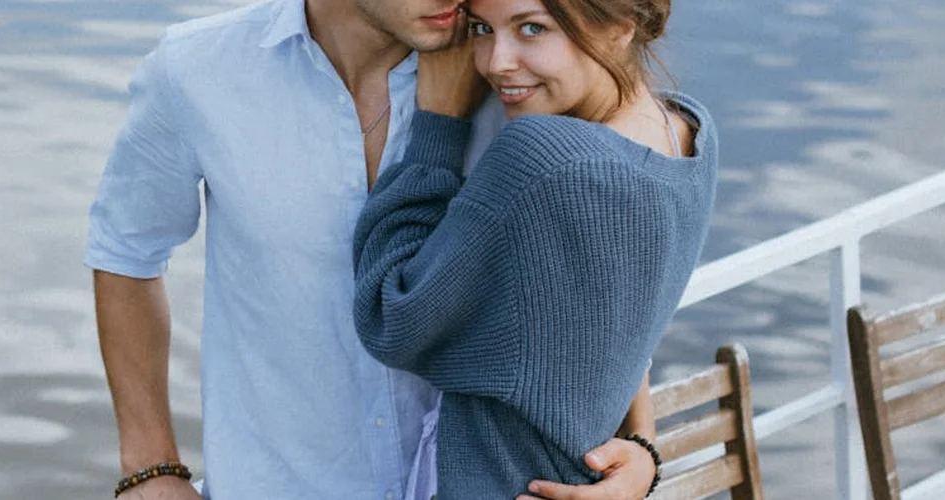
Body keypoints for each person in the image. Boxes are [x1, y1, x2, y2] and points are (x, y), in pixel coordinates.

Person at [87, 0, 663, 498]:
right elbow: (126, 253)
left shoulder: (513, 75)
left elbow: (600, 271)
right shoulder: (196, 70)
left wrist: (640, 444)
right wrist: (149, 466)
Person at [352, 0, 717, 497]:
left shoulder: (540, 157)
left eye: (532, 28)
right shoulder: (688, 133)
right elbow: (619, 327)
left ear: (620, 27)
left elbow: (390, 319)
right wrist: (643, 449)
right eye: (482, 28)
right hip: (578, 471)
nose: (494, 61)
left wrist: (437, 124)